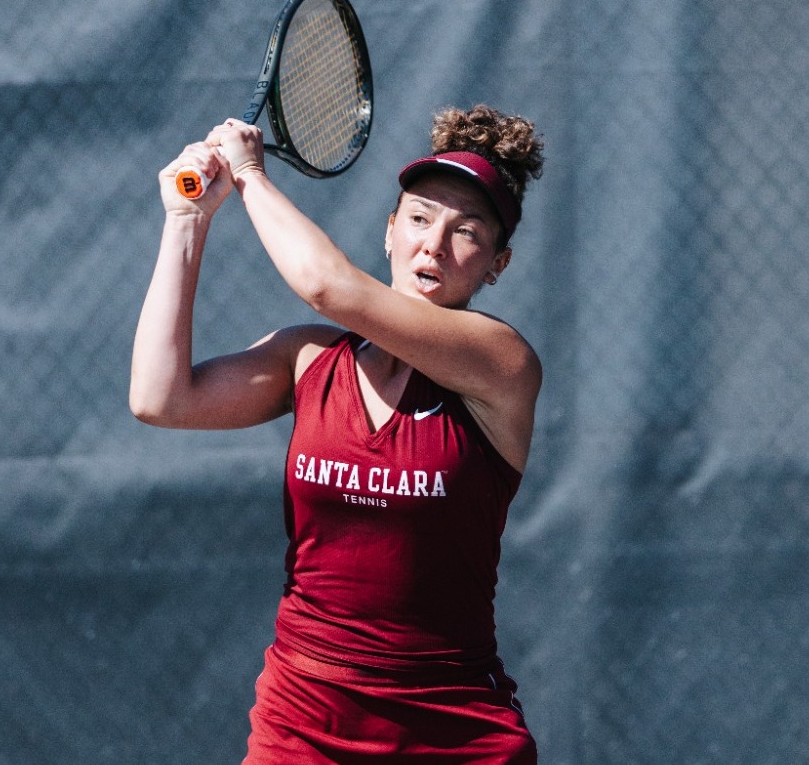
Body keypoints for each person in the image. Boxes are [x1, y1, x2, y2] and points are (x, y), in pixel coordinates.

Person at [130, 104, 545, 763]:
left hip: (449, 725)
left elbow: (327, 286)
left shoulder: (502, 365)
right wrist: (187, 220)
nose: (431, 245)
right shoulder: (308, 360)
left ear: (497, 264)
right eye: (416, 219)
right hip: (303, 715)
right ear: (387, 232)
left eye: (465, 231)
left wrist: (250, 178)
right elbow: (160, 398)